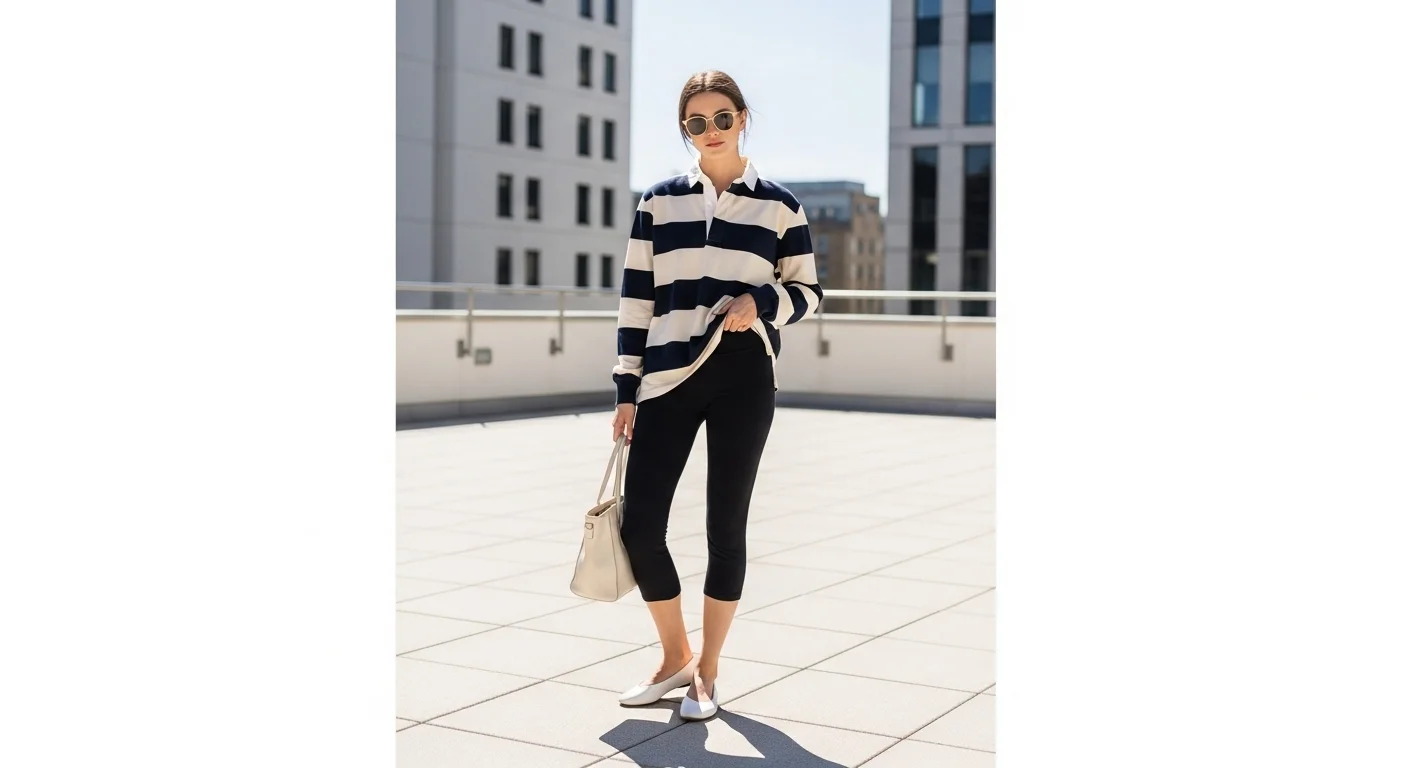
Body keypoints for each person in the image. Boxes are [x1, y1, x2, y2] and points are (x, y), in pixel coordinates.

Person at [609, 70, 822, 721]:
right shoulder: (658, 202)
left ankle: (709, 673)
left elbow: (808, 293)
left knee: (724, 529)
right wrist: (625, 390)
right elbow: (636, 301)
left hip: (742, 379)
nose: (710, 131)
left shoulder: (780, 206)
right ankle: (674, 656)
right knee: (640, 524)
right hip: (664, 382)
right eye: (696, 122)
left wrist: (760, 300)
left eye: (721, 118)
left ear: (742, 118)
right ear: (685, 130)